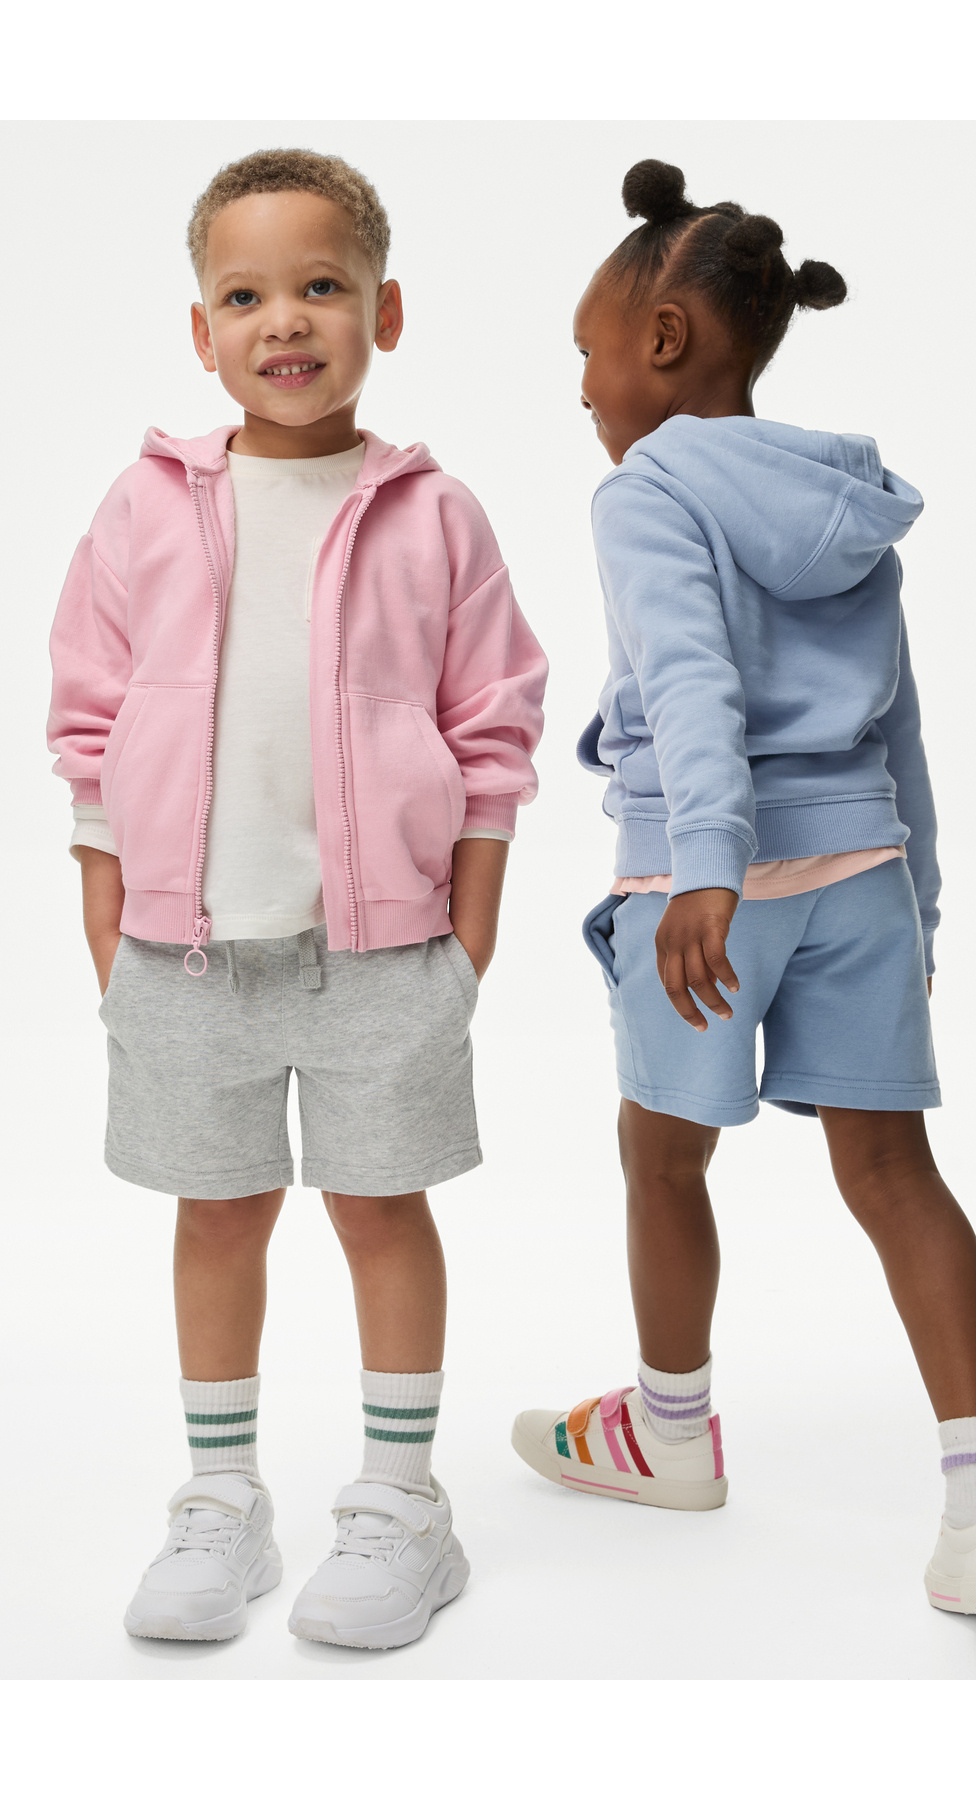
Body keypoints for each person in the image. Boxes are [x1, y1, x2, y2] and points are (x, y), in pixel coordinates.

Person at [48, 148, 547, 1649]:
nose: (286, 319)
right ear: (201, 329)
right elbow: (90, 714)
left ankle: (402, 1506)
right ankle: (222, 1500)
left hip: (385, 954)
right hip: (183, 956)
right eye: (246, 294)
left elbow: (492, 726)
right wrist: (107, 917)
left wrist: (469, 935)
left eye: (322, 286)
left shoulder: (435, 512)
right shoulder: (143, 506)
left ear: (384, 312)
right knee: (217, 1216)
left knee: (382, 1211)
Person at [512, 159, 976, 1615]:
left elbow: (690, 682)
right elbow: (901, 722)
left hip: (704, 883)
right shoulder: (845, 501)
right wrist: (923, 903)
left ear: (663, 339)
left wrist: (707, 868)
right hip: (865, 872)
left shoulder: (645, 487)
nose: (582, 384)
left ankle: (667, 1434)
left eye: (590, 349)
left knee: (661, 1157)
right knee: (895, 1175)